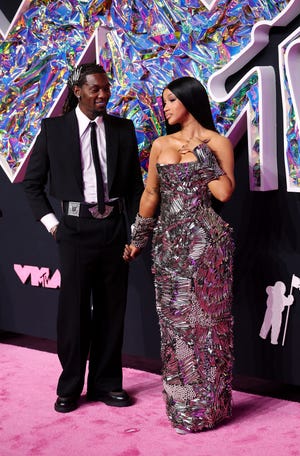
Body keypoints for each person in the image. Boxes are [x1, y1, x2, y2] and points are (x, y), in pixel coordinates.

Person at [23, 63, 144, 413]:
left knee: (112, 310)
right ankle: (70, 386)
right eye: (95, 88)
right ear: (78, 91)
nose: (103, 94)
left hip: (115, 229)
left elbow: (135, 187)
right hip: (74, 231)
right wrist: (53, 225)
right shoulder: (54, 130)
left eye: (106, 88)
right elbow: (33, 185)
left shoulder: (123, 129)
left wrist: (135, 229)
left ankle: (107, 384)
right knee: (73, 313)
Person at [124, 76, 235, 433]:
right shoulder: (160, 144)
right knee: (176, 331)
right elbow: (151, 196)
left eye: (171, 100)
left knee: (210, 330)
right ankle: (184, 408)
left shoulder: (217, 143)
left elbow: (223, 193)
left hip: (208, 249)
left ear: (189, 100)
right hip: (169, 248)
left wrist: (203, 158)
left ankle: (212, 408)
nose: (166, 107)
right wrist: (138, 237)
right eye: (164, 102)